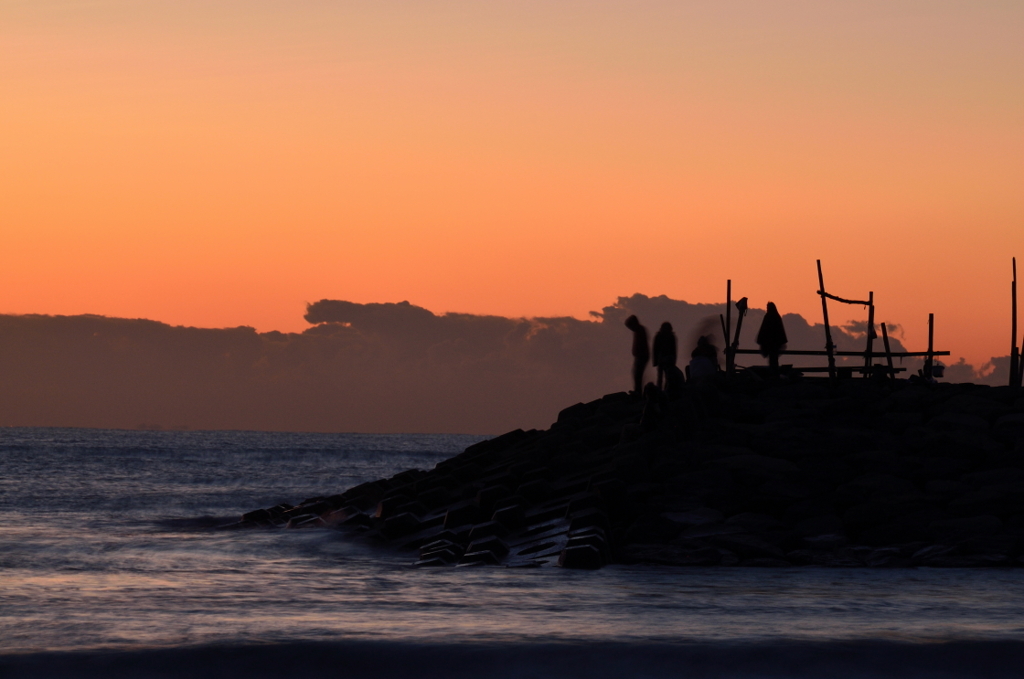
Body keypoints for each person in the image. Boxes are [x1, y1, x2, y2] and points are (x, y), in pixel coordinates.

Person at [756, 302, 788, 373]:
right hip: (775, 344)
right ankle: (774, 373)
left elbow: (764, 330)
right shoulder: (777, 316)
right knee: (774, 360)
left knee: (772, 360)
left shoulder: (768, 317)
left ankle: (773, 373)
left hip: (770, 344)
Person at [624, 315, 649, 396]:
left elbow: (641, 344)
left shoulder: (640, 330)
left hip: (641, 356)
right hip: (639, 356)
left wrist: (638, 353)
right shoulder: (638, 331)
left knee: (638, 374)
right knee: (636, 374)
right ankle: (637, 390)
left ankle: (638, 391)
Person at [652, 322, 678, 391]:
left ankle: (662, 391)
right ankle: (665, 391)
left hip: (664, 359)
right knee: (666, 377)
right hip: (665, 359)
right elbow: (674, 350)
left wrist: (655, 361)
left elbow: (655, 349)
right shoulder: (670, 337)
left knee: (664, 377)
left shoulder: (659, 336)